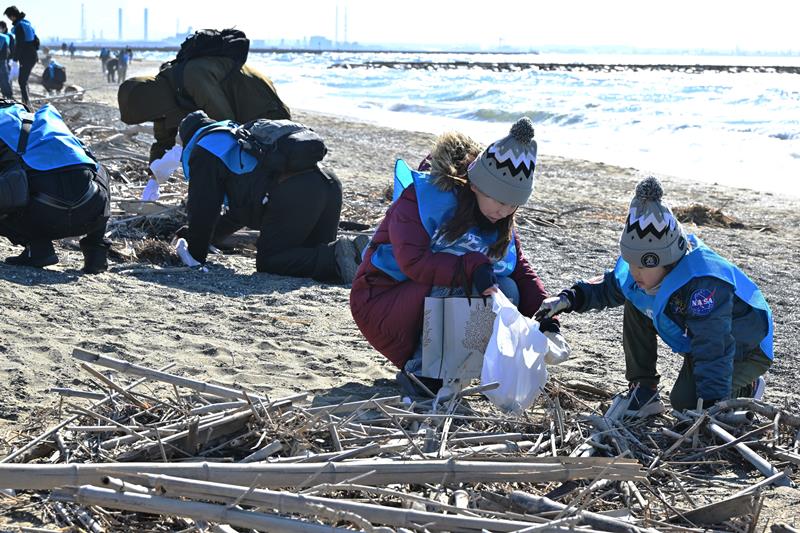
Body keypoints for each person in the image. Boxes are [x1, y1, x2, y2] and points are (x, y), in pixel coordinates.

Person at [350, 118, 561, 392]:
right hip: (384, 296)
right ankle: (423, 370)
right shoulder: (423, 199)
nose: (504, 211)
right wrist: (471, 265)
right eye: (499, 200)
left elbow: (519, 270)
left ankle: (458, 370)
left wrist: (548, 320)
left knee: (506, 287)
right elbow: (413, 263)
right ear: (475, 185)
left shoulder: (498, 218)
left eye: (513, 205)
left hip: (428, 300)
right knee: (470, 283)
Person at [537, 176, 774, 416]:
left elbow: (714, 348)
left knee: (687, 405)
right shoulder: (640, 274)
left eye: (642, 267)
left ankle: (746, 388)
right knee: (634, 299)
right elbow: (609, 287)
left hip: (746, 348)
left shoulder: (702, 288)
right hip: (700, 338)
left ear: (668, 262)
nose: (634, 272)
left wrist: (710, 408)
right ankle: (644, 389)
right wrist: (568, 298)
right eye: (631, 264)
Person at [173, 110, 366, 284]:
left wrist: (195, 253)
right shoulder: (238, 139)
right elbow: (240, 211)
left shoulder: (206, 149)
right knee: (321, 257)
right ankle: (366, 256)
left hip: (298, 191)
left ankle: (341, 254)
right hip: (329, 183)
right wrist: (208, 238)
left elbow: (203, 207)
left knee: (271, 261)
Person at [0, 99, 111, 273]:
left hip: (41, 217)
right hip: (89, 214)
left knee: (18, 181)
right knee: (99, 170)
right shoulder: (48, 123)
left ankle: (38, 247)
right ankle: (96, 251)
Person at [117, 55, 290, 165]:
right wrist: (154, 174)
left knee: (276, 159)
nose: (156, 117)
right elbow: (163, 139)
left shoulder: (193, 78)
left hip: (263, 106)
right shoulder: (165, 93)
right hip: (241, 109)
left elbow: (226, 125)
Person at [3, 6, 37, 107]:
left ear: (12, 16)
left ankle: (27, 104)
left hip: (27, 56)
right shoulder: (26, 23)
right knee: (23, 80)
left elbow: (20, 45)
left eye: (9, 17)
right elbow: (36, 41)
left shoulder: (19, 26)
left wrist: (14, 60)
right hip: (31, 55)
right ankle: (26, 101)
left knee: (22, 81)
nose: (9, 20)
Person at [0, 25, 10, 98]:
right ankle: (7, 95)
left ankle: (7, 95)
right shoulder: (5, 37)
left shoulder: (3, 37)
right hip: (4, 60)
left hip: (2, 60)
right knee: (4, 79)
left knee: (4, 79)